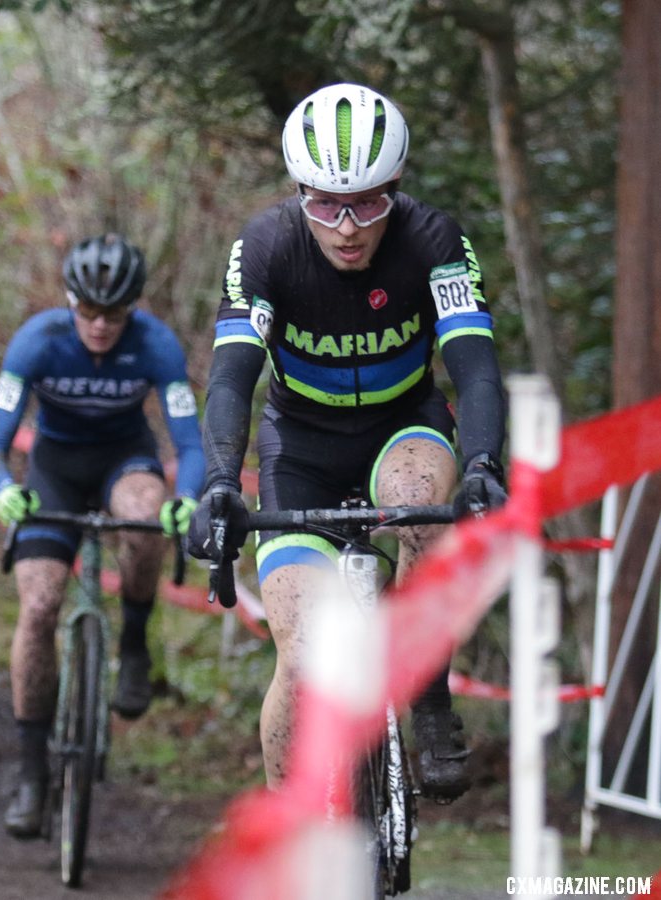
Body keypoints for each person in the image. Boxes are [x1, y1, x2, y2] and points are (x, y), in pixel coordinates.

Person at [186, 83, 508, 803]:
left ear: (395, 187)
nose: (348, 226)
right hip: (300, 450)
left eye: (368, 201)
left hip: (407, 428)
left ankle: (429, 695)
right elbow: (232, 378)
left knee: (418, 502)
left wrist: (484, 464)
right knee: (300, 662)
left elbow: (477, 368)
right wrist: (215, 481)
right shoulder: (265, 248)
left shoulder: (434, 241)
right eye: (325, 204)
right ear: (299, 192)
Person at [0, 233, 206, 837]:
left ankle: (133, 643)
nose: (100, 326)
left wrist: (186, 501)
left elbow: (187, 443)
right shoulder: (38, 341)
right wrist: (3, 488)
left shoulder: (156, 344)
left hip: (124, 462)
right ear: (70, 302)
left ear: (133, 309)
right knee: (40, 606)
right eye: (88, 312)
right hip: (54, 470)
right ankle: (32, 777)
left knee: (145, 512)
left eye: (114, 314)